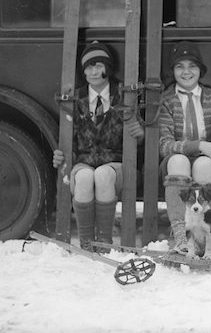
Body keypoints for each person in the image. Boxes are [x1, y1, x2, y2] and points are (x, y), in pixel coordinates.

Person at [52, 41, 144, 252]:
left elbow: (137, 138)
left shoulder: (124, 95)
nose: (93, 72)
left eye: (99, 66)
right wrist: (61, 154)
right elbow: (68, 143)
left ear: (108, 68)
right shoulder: (76, 99)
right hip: (84, 164)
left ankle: (103, 243)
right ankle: (86, 243)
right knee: (85, 177)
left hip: (117, 167)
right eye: (88, 67)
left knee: (102, 174)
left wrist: (140, 134)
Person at [159, 41, 211, 254]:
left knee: (205, 163)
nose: (186, 72)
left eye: (192, 66)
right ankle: (180, 236)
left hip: (205, 164)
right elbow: (165, 145)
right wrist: (198, 145)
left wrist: (210, 150)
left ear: (200, 70)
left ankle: (201, 234)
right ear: (173, 71)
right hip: (176, 165)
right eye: (180, 66)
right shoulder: (166, 100)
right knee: (179, 160)